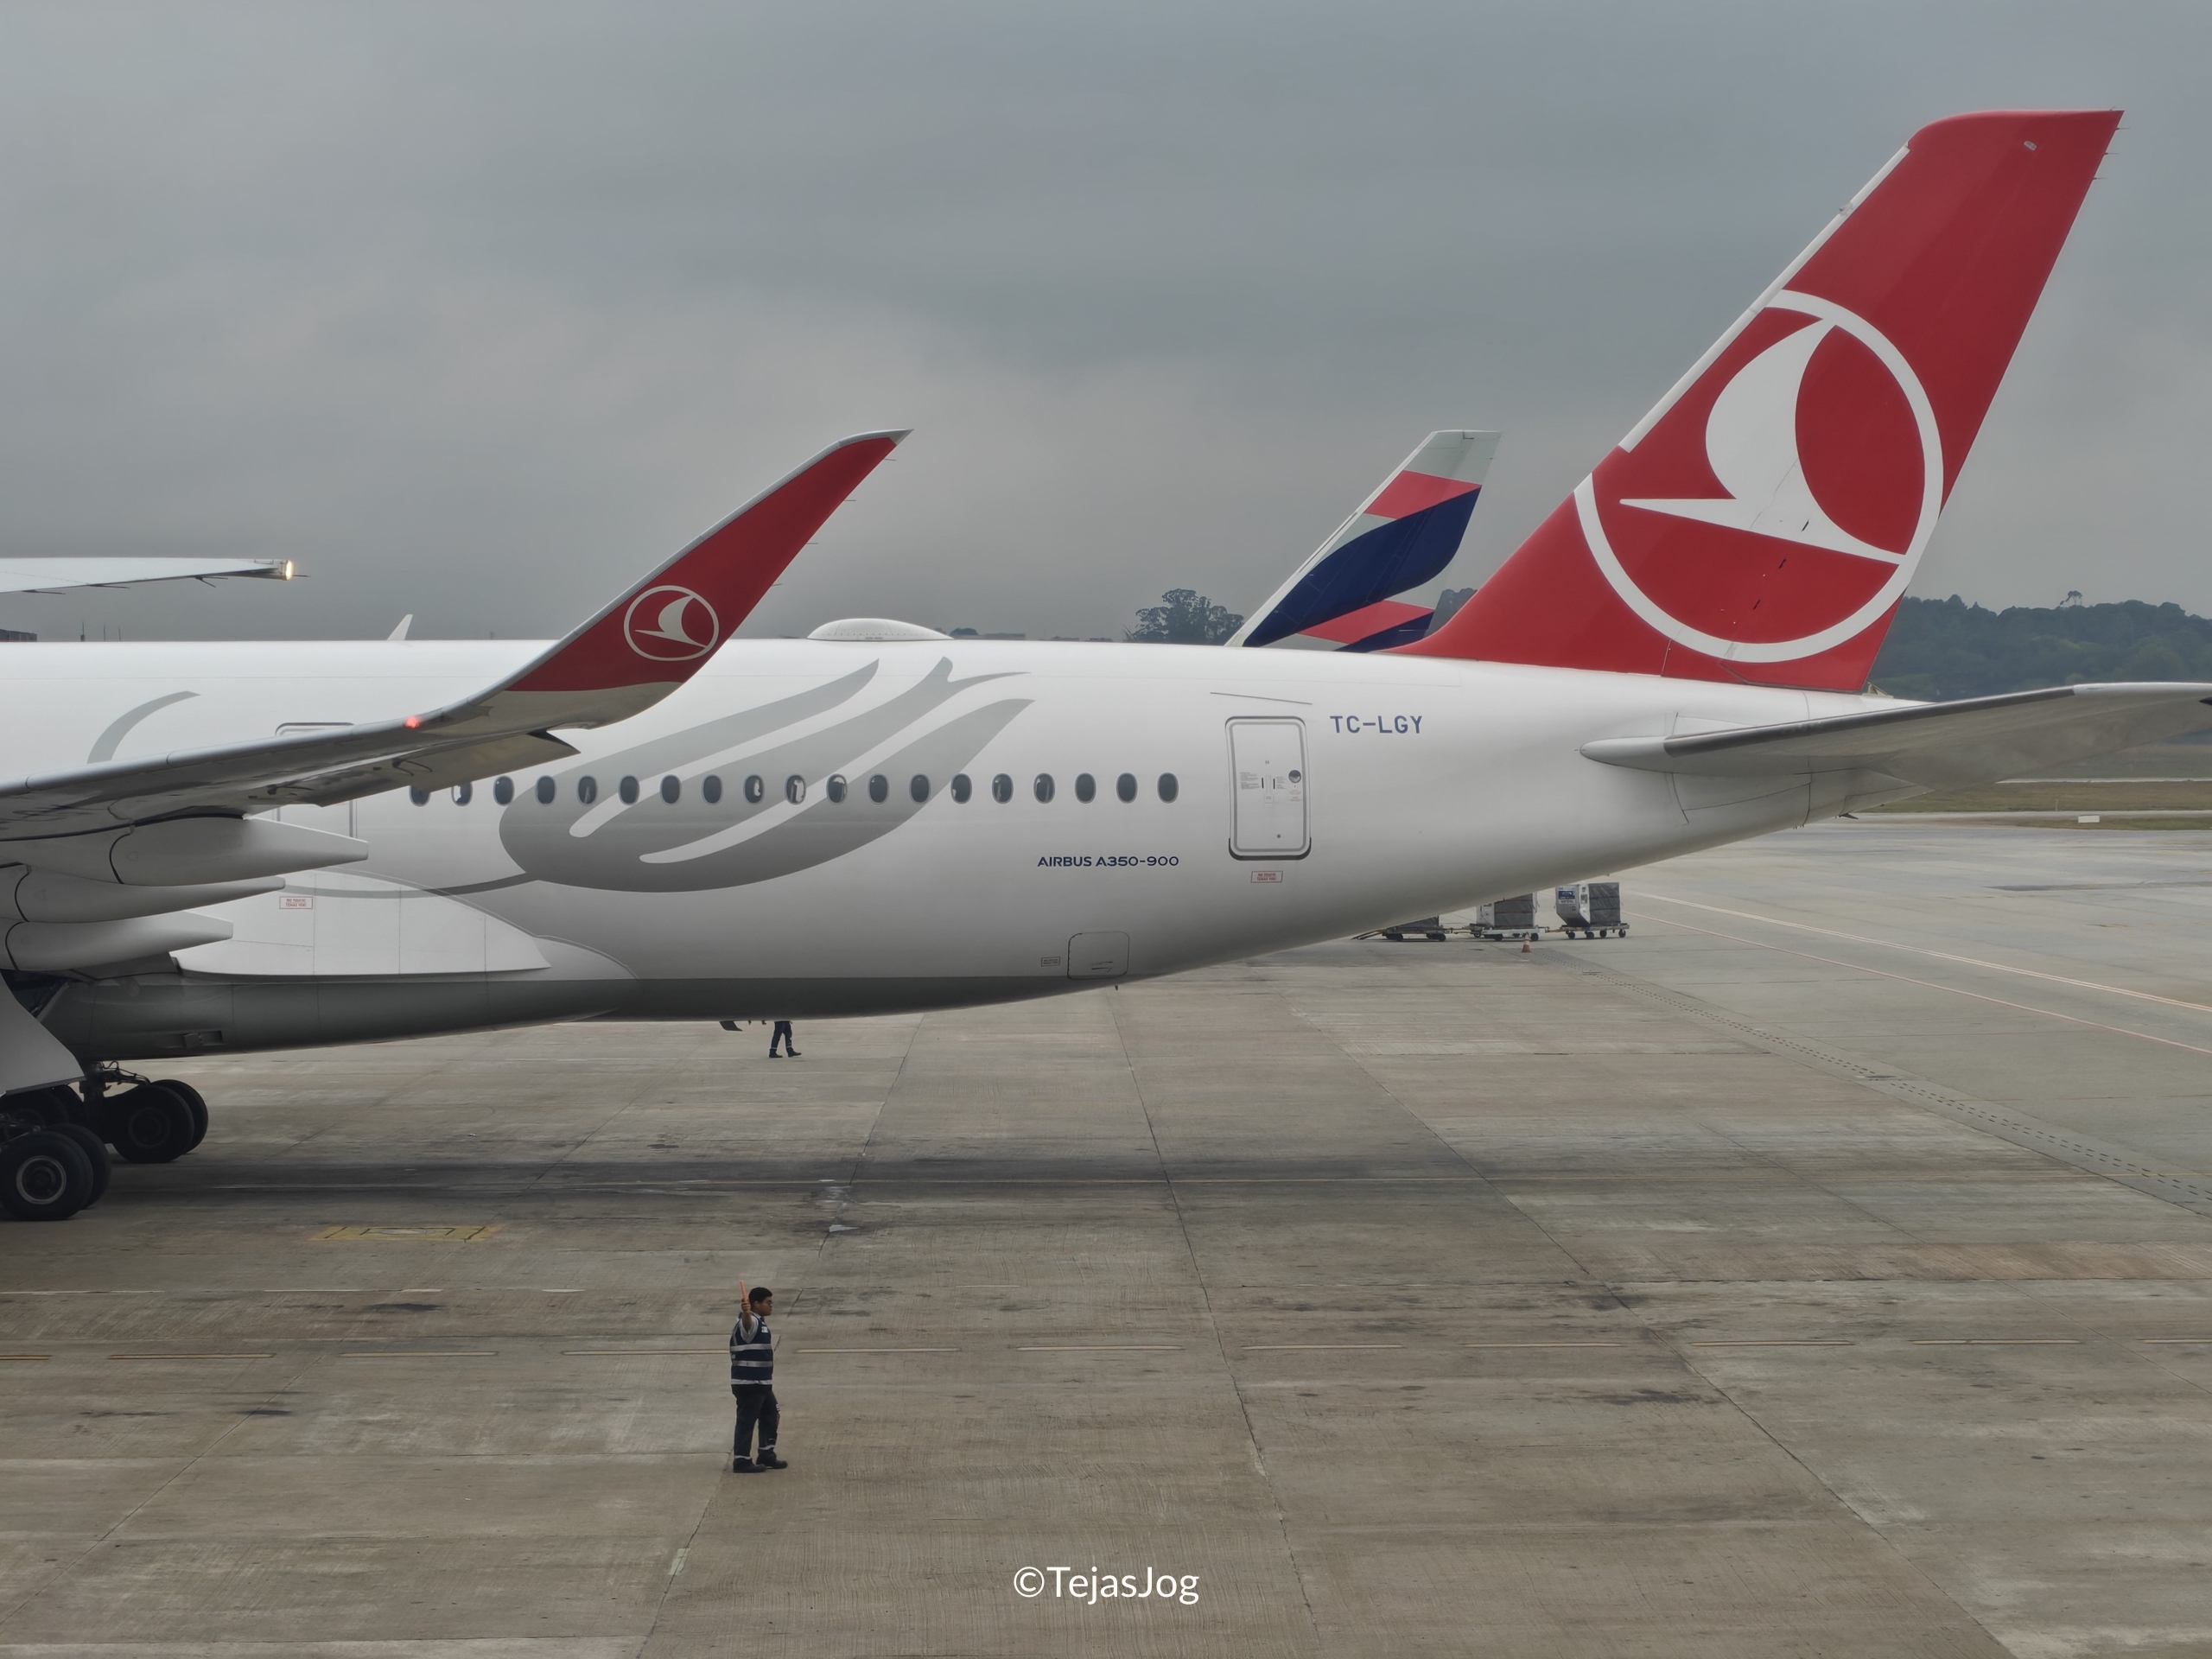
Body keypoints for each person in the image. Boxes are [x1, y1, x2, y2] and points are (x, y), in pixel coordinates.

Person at [730, 1281, 785, 1472]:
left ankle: (766, 1453)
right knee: (747, 1420)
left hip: (761, 1383)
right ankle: (742, 1460)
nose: (771, 1306)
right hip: (749, 1383)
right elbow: (747, 1324)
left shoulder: (760, 1323)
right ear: (755, 1304)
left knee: (771, 1413)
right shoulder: (749, 1322)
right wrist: (746, 1312)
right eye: (768, 1302)